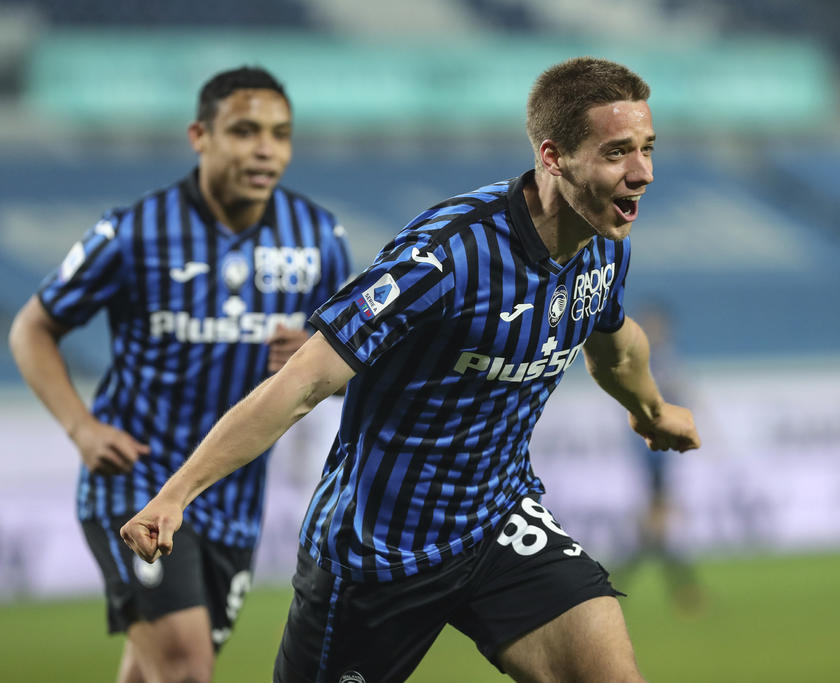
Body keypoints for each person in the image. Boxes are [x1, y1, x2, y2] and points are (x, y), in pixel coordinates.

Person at [121, 56, 701, 682]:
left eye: (646, 148)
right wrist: (176, 495)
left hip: (498, 519)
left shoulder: (603, 247)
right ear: (554, 157)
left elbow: (616, 346)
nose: (642, 173)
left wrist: (652, 410)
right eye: (617, 153)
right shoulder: (448, 256)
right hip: (377, 549)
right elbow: (302, 383)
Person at [8, 66, 352, 683]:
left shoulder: (319, 238)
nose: (266, 148)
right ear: (200, 135)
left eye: (280, 133)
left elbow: (351, 361)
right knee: (187, 670)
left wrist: (315, 352)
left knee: (155, 673)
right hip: (136, 482)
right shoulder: (133, 232)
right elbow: (32, 329)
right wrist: (83, 431)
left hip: (232, 497)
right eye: (245, 131)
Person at [614, 306, 702, 611]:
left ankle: (613, 586)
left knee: (654, 530)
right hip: (651, 453)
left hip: (660, 454)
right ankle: (684, 589)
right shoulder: (647, 359)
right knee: (655, 529)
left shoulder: (662, 357)